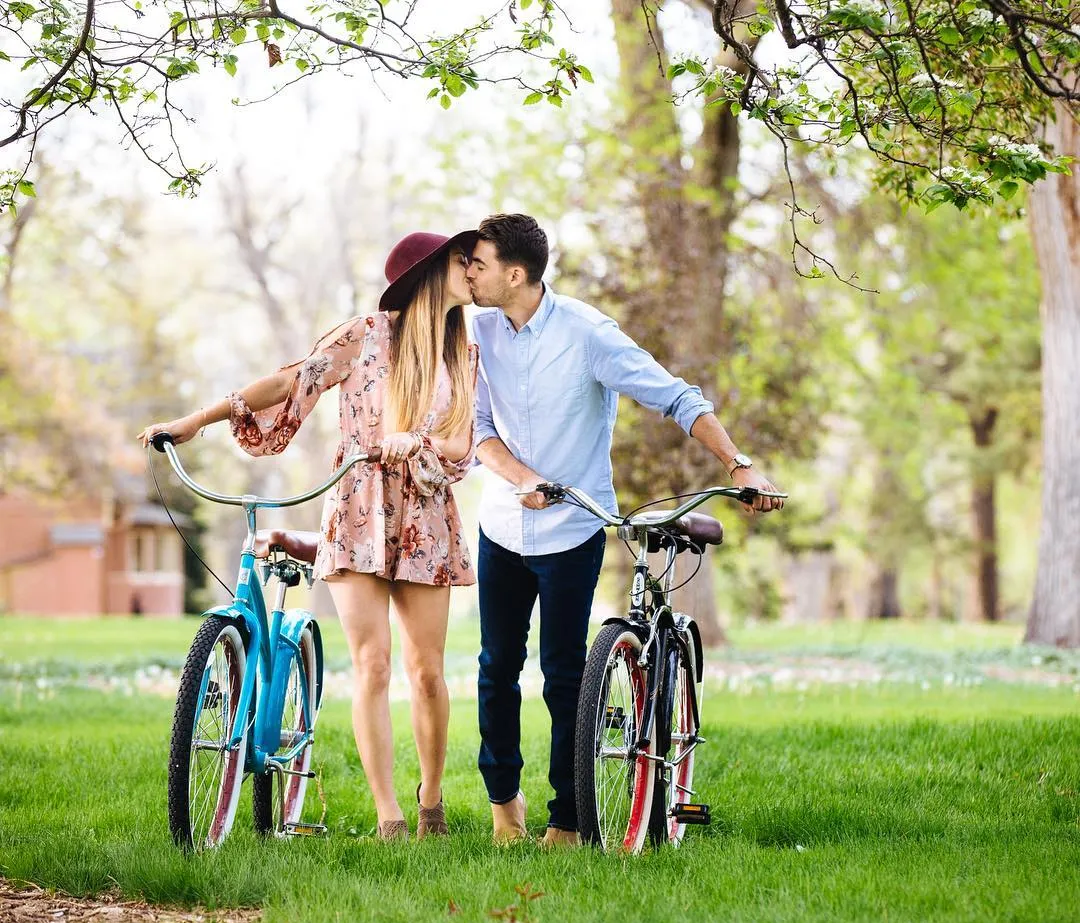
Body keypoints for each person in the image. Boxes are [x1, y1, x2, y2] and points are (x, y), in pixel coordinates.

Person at [139, 230, 481, 841]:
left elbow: (460, 443)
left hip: (427, 515)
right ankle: (389, 817)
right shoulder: (365, 334)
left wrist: (420, 443)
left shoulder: (463, 352)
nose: (470, 267)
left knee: (426, 670)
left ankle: (431, 803)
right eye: (460, 259)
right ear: (429, 274)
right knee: (372, 663)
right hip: (358, 505)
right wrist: (199, 419)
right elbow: (290, 380)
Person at [465, 213, 783, 847]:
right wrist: (520, 476)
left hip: (574, 531)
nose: (467, 274)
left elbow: (675, 396)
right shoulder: (476, 332)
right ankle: (505, 808)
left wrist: (737, 463)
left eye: (477, 264)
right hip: (501, 525)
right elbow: (479, 430)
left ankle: (567, 818)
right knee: (496, 668)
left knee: (562, 676)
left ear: (516, 274)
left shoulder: (587, 334)